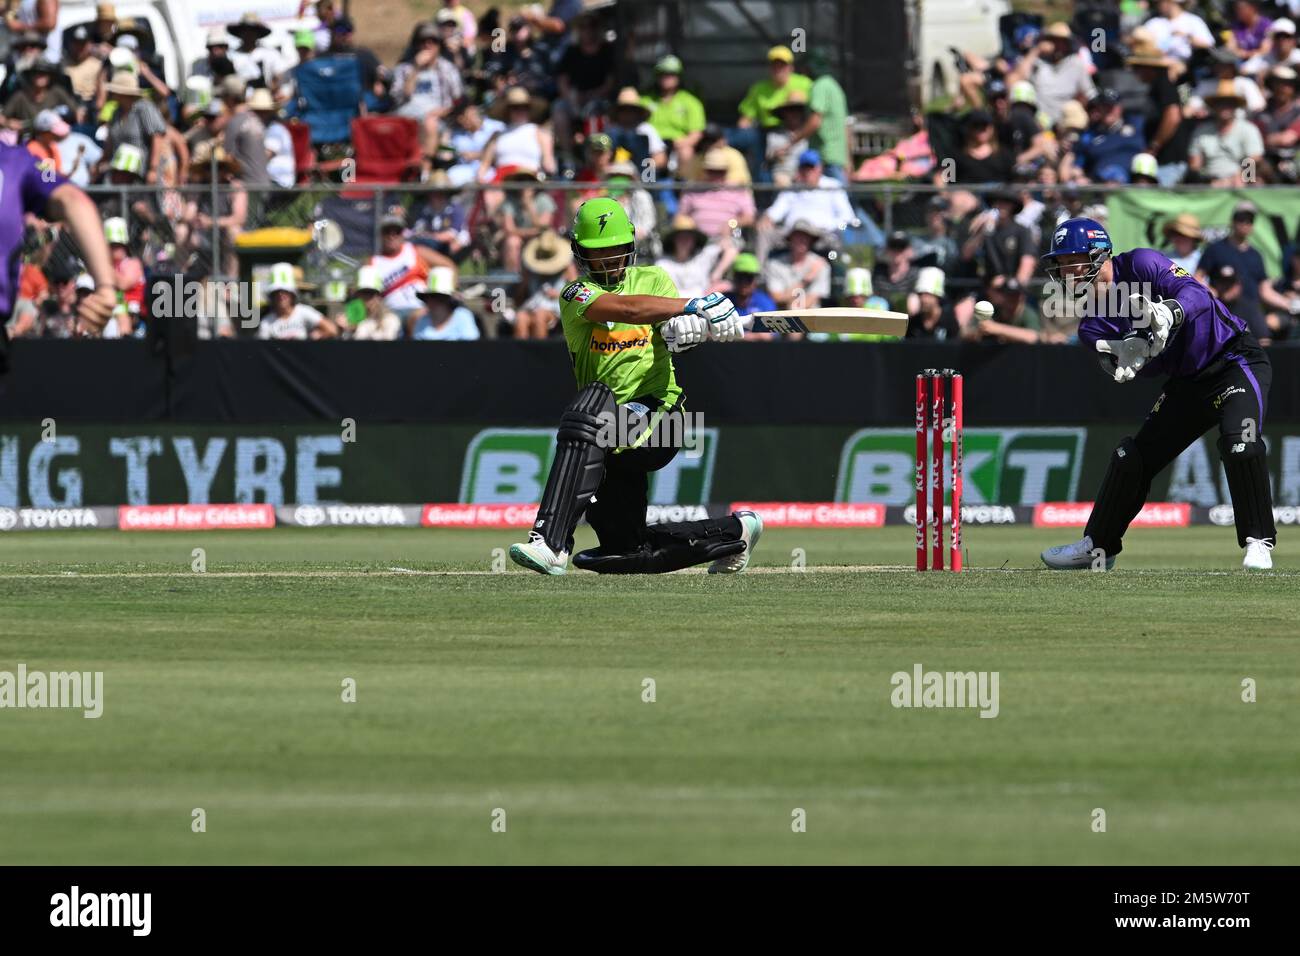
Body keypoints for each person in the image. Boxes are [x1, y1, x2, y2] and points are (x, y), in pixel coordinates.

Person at [507, 197, 759, 576]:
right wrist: (691, 305)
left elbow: (667, 327)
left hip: (661, 417)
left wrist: (685, 329)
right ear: (578, 254)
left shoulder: (654, 278)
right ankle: (736, 531)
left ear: (631, 248)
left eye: (615, 252)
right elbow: (628, 310)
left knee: (590, 409)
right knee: (626, 551)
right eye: (597, 254)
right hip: (608, 440)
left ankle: (551, 543)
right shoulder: (575, 294)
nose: (607, 263)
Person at [1040, 217, 1278, 570]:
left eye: (1071, 260)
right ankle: (1098, 548)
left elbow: (1196, 294)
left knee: (1239, 442)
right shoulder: (1092, 324)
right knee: (1130, 457)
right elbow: (1141, 366)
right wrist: (1135, 355)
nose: (1066, 271)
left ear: (1099, 253)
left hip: (1233, 360)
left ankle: (1258, 542)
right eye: (1060, 264)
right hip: (1186, 383)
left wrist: (1168, 312)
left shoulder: (1141, 262)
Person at [1, 142, 117, 376]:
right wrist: (105, 287)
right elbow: (74, 199)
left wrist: (106, 286)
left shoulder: (17, 161)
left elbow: (73, 199)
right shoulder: (15, 161)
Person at [1196, 199, 1288, 342]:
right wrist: (1212, 293)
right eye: (1241, 219)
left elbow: (1265, 290)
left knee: (1264, 343)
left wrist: (1290, 304)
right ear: (1233, 221)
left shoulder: (1256, 255)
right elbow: (1198, 278)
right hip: (1224, 312)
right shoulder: (1216, 249)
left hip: (1252, 313)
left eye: (1250, 220)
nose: (1245, 223)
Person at [642, 54, 706, 166]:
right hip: (650, 146)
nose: (666, 78)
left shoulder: (691, 102)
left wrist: (678, 144)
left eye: (671, 74)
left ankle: (684, 183)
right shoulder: (645, 101)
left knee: (687, 152)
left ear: (679, 77)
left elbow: (696, 134)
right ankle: (647, 182)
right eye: (663, 74)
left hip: (677, 146)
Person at [258, 263, 335, 339]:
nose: (281, 296)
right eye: (277, 292)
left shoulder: (304, 311)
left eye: (285, 291)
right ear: (272, 296)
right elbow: (262, 347)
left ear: (292, 295)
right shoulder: (266, 322)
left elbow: (332, 330)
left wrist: (317, 336)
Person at [408, 267, 479, 340]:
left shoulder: (463, 317)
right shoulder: (422, 322)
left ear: (448, 299)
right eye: (429, 296)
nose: (432, 301)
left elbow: (470, 347)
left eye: (439, 297)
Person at [349, 265, 402, 340]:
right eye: (362, 293)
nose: (366, 298)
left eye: (370, 293)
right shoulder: (356, 320)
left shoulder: (391, 319)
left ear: (379, 296)